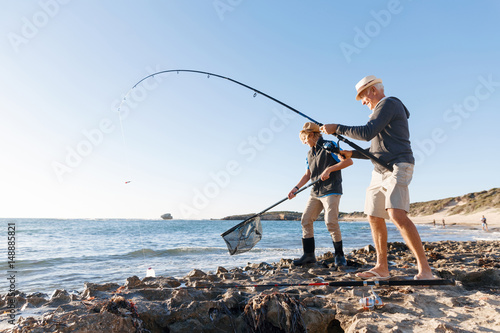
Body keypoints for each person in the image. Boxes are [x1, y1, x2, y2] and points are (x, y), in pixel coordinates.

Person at [321, 75, 435, 280]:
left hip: (398, 166)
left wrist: (336, 128)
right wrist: (351, 154)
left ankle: (425, 270)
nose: (363, 102)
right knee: (373, 215)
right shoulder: (379, 114)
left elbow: (366, 133)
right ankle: (382, 268)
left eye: (363, 97)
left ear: (373, 90)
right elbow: (374, 149)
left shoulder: (388, 104)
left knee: (397, 215)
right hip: (379, 171)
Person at [288, 122, 353, 267]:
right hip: (315, 192)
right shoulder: (309, 153)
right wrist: (296, 188)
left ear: (311, 135)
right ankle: (309, 255)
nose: (304, 142)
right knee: (305, 219)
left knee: (330, 222)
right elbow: (307, 174)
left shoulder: (329, 146)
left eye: (304, 139)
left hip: (331, 189)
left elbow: (348, 161)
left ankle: (339, 255)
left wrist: (330, 169)